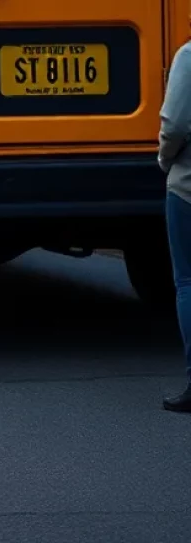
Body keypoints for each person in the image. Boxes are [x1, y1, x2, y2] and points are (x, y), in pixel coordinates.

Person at [158, 41, 191, 412]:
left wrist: (165, 160)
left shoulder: (188, 57)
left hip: (188, 186)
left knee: (188, 281)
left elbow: (175, 124)